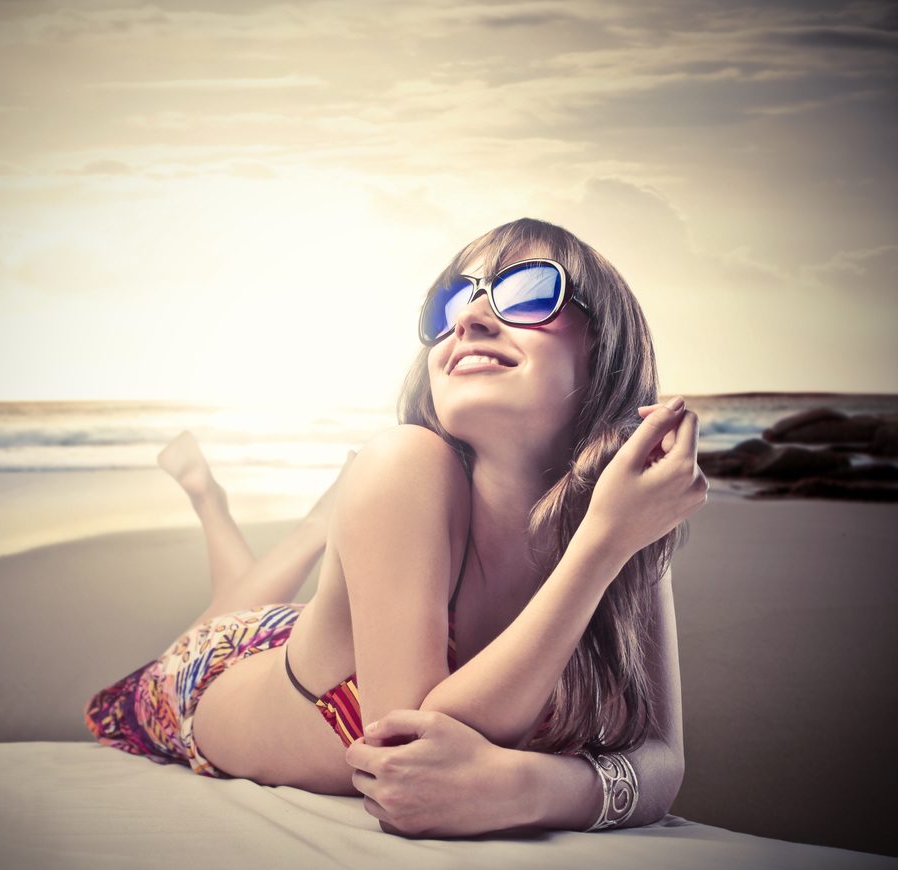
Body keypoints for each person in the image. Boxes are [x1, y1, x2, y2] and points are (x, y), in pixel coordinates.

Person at [84, 217, 707, 838]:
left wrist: (528, 787)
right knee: (215, 626)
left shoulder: (624, 505)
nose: (470, 319)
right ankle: (251, 511)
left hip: (313, 636)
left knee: (262, 607)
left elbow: (663, 760)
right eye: (454, 302)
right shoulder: (410, 464)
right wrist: (600, 547)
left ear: (606, 345)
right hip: (205, 680)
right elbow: (407, 759)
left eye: (525, 291)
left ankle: (310, 526)